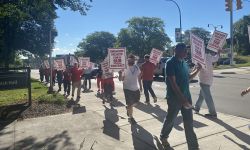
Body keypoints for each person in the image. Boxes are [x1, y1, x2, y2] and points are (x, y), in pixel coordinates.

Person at [160, 43, 201, 149]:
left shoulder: (184, 63)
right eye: (184, 50)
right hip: (175, 99)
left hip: (187, 97)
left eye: (186, 50)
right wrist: (183, 100)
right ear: (176, 50)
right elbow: (173, 84)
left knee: (189, 123)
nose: (186, 53)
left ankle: (193, 147)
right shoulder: (170, 63)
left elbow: (188, 78)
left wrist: (198, 70)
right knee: (171, 119)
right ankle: (163, 137)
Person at [194, 49, 220, 118]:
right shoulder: (208, 56)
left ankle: (213, 113)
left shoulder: (198, 59)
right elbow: (216, 58)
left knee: (208, 98)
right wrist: (218, 52)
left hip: (203, 80)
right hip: (209, 80)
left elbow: (196, 69)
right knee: (201, 96)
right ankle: (196, 108)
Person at [118, 54, 142, 125]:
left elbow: (139, 77)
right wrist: (120, 74)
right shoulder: (124, 68)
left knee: (137, 103)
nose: (132, 60)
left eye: (133, 59)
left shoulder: (137, 67)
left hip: (136, 88)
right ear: (127, 60)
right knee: (130, 104)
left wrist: (140, 86)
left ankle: (128, 108)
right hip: (127, 88)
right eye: (130, 59)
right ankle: (131, 117)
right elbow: (120, 79)